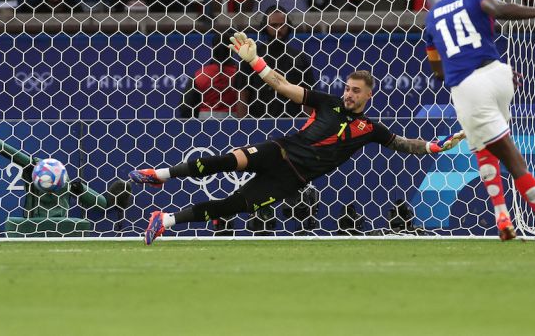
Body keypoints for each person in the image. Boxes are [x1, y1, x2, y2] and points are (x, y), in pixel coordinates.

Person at [131, 32, 463, 243]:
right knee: (227, 160)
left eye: (355, 91)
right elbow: (282, 85)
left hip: (292, 180)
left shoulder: (370, 129)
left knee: (232, 206)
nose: (348, 95)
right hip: (279, 151)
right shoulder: (326, 102)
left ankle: (165, 220)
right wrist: (255, 62)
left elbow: (405, 145)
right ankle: (158, 175)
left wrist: (437, 146)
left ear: (367, 97)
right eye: (347, 88)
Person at [423, 0, 535, 252]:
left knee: (509, 157)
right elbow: (497, 9)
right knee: (487, 146)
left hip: (469, 86)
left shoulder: (432, 17)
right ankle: (502, 218)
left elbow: (438, 72)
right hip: (500, 74)